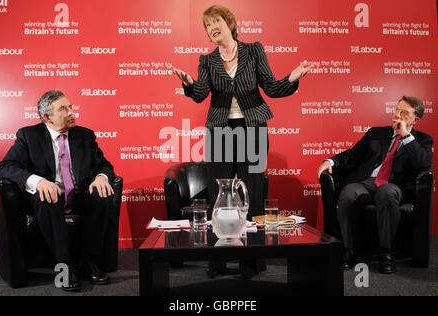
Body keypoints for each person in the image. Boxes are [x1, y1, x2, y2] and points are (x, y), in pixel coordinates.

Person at [171, 5, 311, 278]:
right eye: (207, 25)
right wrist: (188, 83)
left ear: (229, 23)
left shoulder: (254, 50)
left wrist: (292, 79)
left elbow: (270, 87)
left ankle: (252, 262)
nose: (212, 28)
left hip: (253, 128)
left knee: (253, 195)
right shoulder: (207, 60)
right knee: (219, 196)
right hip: (220, 130)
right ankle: (217, 261)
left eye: (216, 22)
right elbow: (200, 94)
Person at [0, 90, 116, 291]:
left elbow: (104, 165)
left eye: (71, 107)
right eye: (63, 109)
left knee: (102, 195)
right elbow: (6, 166)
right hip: (49, 196)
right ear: (47, 117)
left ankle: (90, 261)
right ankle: (65, 265)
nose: (71, 112)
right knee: (47, 197)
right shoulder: (28, 136)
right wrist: (38, 181)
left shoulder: (85, 136)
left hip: (78, 194)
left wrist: (101, 178)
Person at [317, 96, 433, 274]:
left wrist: (407, 137)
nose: (398, 115)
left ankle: (386, 252)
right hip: (366, 182)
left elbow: (424, 163)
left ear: (415, 120)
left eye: (404, 113)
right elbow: (352, 155)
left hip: (393, 185)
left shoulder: (423, 140)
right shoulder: (375, 134)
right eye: (397, 110)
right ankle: (348, 249)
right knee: (348, 193)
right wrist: (330, 162)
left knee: (386, 193)